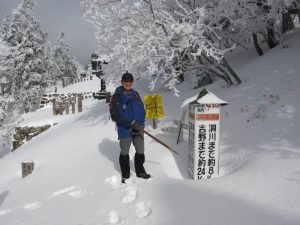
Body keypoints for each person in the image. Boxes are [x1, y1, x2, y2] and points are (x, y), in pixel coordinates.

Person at [112, 71, 151, 183]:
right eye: (125, 82)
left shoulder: (136, 94)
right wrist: (131, 124)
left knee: (140, 150)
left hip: (138, 127)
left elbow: (142, 109)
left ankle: (140, 171)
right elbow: (119, 114)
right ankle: (125, 174)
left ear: (132, 82)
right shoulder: (117, 96)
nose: (127, 84)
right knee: (125, 151)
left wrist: (141, 123)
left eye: (129, 82)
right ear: (122, 82)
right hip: (125, 128)